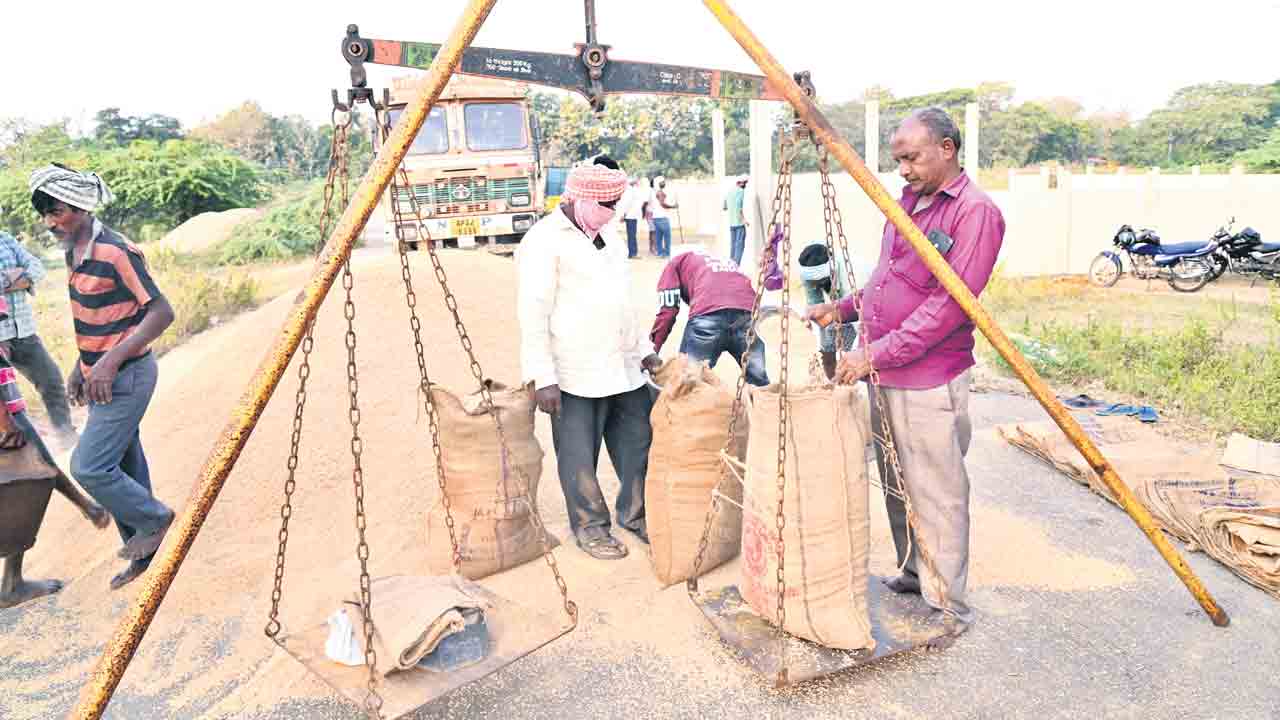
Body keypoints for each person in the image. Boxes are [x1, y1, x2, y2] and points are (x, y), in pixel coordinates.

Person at [807, 107, 1005, 634]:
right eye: (898, 161)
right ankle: (916, 573)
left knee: (936, 491)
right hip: (885, 370)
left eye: (912, 158)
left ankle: (947, 604)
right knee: (898, 482)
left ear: (947, 149)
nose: (904, 170)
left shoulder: (975, 213)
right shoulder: (908, 202)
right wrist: (842, 310)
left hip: (927, 378)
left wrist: (872, 354)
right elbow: (888, 279)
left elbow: (948, 307)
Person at [29, 163, 178, 590]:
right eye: (46, 214)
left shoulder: (115, 251)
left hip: (127, 376)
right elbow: (100, 319)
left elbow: (161, 312)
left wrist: (110, 362)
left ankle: (157, 519)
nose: (50, 222)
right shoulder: (74, 252)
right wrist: (82, 366)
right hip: (101, 378)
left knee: (89, 466)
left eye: (57, 212)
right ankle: (146, 558)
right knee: (125, 467)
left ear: (80, 206)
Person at [517, 158, 659, 561]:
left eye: (616, 204)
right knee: (579, 456)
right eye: (607, 205)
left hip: (623, 367)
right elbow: (533, 312)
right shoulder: (544, 240)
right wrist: (542, 376)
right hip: (573, 371)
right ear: (580, 199)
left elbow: (624, 303)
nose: (613, 212)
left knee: (638, 444)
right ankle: (591, 527)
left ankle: (636, 515)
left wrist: (645, 350)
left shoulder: (609, 236)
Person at [0, 295, 108, 609]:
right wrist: (6, 422)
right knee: (27, 485)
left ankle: (89, 508)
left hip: (9, 411)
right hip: (6, 416)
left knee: (35, 472)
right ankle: (11, 585)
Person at [650, 246, 768, 386]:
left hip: (708, 316)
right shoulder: (724, 261)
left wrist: (652, 350)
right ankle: (764, 398)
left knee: (687, 384)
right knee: (759, 383)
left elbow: (668, 311)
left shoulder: (675, 263)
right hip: (747, 314)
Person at [0, 231, 76, 448]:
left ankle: (66, 439)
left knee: (51, 381)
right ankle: (26, 455)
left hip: (23, 330)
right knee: (8, 403)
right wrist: (18, 278)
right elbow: (26, 275)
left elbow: (37, 268)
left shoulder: (5, 238)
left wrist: (4, 280)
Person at [797, 242, 866, 381]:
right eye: (812, 282)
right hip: (838, 307)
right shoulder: (809, 276)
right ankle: (832, 384)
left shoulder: (852, 275)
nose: (815, 286)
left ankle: (848, 385)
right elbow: (815, 305)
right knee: (827, 344)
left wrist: (857, 353)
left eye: (819, 281)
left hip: (863, 311)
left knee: (852, 355)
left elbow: (857, 313)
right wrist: (811, 319)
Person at [723, 175, 749, 265]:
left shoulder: (729, 191)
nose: (745, 185)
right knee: (739, 246)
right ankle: (736, 266)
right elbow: (739, 207)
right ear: (740, 183)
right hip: (739, 224)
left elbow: (724, 207)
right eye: (744, 183)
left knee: (733, 246)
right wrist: (744, 219)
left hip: (732, 224)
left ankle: (731, 266)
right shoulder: (741, 191)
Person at [650, 176, 677, 258]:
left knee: (659, 237)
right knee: (667, 237)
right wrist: (673, 206)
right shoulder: (659, 193)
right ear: (658, 183)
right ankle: (667, 253)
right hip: (662, 217)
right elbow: (663, 204)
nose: (664, 183)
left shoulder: (654, 192)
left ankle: (660, 253)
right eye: (662, 182)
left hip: (656, 217)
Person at [620, 177, 646, 259]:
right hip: (630, 216)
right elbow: (627, 204)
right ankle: (632, 253)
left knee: (632, 235)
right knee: (632, 235)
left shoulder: (632, 191)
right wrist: (623, 215)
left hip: (632, 216)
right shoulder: (630, 191)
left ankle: (632, 253)